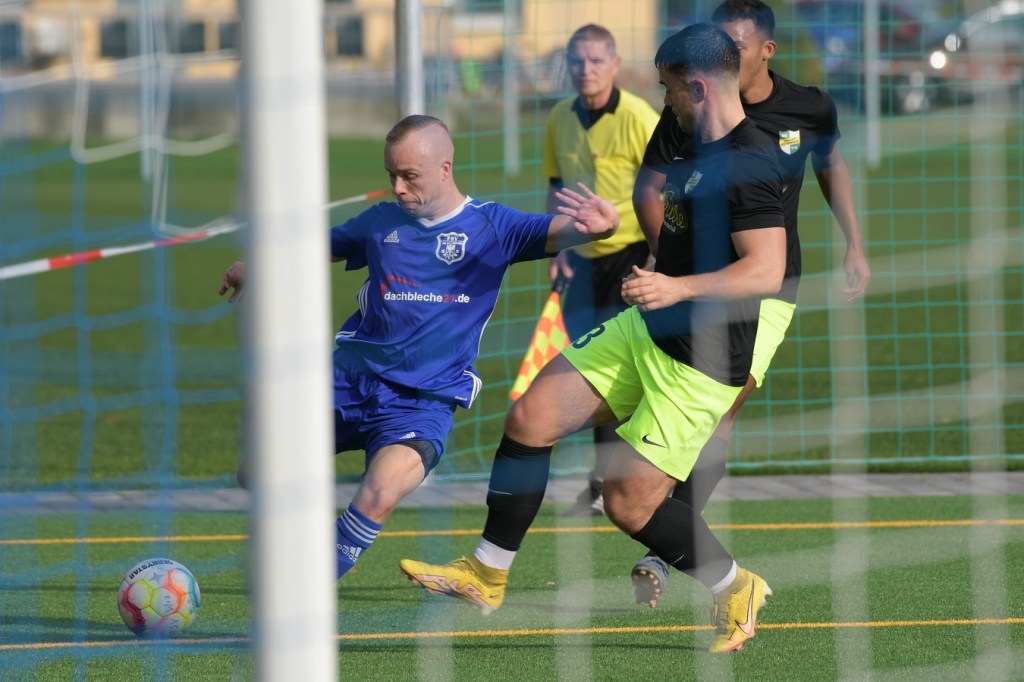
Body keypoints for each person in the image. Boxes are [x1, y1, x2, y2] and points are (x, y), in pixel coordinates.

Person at [400, 24, 787, 654]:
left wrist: (677, 288)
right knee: (530, 416)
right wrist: (630, 244)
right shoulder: (688, 139)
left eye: (669, 90)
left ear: (696, 88)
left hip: (701, 362)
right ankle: (486, 573)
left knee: (625, 502)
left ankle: (735, 586)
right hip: (646, 328)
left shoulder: (750, 161)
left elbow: (767, 269)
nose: (664, 101)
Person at [218, 114, 620, 580]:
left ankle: (306, 582)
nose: (398, 188)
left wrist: (600, 228)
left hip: (420, 402)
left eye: (409, 176)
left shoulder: (493, 226)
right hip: (347, 380)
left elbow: (558, 231)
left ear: (444, 168)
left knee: (379, 492)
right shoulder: (380, 222)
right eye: (391, 175)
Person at [627, 0, 873, 609]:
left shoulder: (808, 107)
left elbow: (831, 166)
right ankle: (662, 521)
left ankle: (667, 543)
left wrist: (854, 242)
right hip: (692, 284)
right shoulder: (690, 107)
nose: (723, 55)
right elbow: (648, 187)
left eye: (735, 46)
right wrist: (669, 256)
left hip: (769, 285)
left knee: (726, 407)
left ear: (766, 51)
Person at [540, 24, 660, 516]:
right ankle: (603, 482)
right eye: (577, 60)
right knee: (589, 372)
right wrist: (557, 251)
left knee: (623, 370)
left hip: (632, 256)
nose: (585, 70)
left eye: (595, 60)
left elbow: (669, 190)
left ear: (614, 64)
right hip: (581, 262)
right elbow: (555, 189)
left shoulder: (640, 117)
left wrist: (657, 258)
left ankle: (626, 482)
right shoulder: (559, 118)